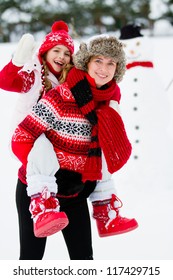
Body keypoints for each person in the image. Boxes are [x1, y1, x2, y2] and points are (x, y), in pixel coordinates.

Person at [11, 34, 138, 259]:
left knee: (83, 261)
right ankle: (43, 205)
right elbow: (22, 135)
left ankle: (105, 208)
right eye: (98, 61)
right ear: (86, 62)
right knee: (31, 261)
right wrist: (46, 175)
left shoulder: (109, 102)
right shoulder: (61, 95)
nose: (104, 68)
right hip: (39, 191)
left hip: (75, 194)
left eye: (111, 63)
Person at [0, 21, 75, 238]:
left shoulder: (70, 81)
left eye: (67, 53)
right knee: (41, 147)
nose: (61, 56)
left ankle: (105, 205)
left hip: (59, 148)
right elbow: (5, 82)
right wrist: (17, 62)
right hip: (27, 140)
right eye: (56, 50)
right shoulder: (33, 77)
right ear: (45, 52)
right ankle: (42, 207)